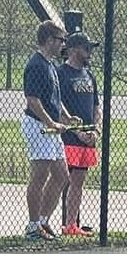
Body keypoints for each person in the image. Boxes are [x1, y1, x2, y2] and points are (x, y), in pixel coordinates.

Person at [21, 20, 81, 242]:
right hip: (38, 126)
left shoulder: (50, 66)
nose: (63, 44)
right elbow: (33, 101)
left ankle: (44, 220)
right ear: (48, 40)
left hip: (51, 128)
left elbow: (54, 98)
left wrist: (64, 116)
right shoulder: (36, 65)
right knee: (39, 175)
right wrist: (49, 122)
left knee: (62, 175)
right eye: (60, 40)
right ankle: (33, 226)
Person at [57, 31, 102, 237]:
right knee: (61, 179)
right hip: (68, 137)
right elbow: (57, 106)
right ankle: (43, 221)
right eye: (86, 48)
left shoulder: (89, 75)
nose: (89, 53)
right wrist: (76, 132)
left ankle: (71, 225)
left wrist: (96, 130)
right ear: (74, 50)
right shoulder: (61, 73)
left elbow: (96, 107)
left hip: (87, 138)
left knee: (78, 181)